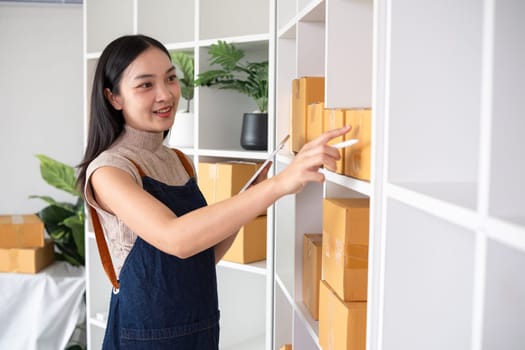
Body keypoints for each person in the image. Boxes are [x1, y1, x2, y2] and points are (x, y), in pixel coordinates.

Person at [77, 34, 350, 350]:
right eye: (146, 85)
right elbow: (176, 238)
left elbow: (203, 254)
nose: (165, 94)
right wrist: (278, 186)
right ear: (114, 98)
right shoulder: (110, 170)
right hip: (145, 337)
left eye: (170, 79)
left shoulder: (177, 160)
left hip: (200, 328)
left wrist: (256, 193)